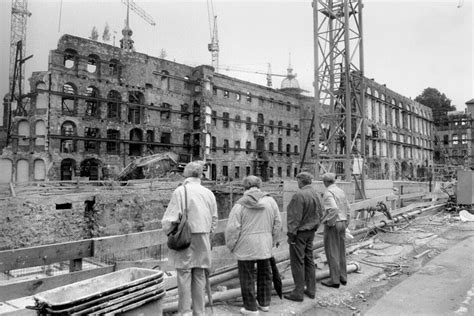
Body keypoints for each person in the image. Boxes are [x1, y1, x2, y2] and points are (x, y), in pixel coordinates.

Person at [162, 162, 218, 316]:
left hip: (186, 238)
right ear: (200, 175)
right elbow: (214, 219)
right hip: (203, 237)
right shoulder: (208, 193)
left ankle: (185, 312)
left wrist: (170, 233)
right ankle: (200, 312)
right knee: (200, 275)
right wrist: (208, 234)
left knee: (184, 276)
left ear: (186, 174)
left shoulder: (181, 191)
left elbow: (170, 219)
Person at [225, 176, 282, 315]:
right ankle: (264, 303)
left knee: (247, 276)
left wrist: (231, 245)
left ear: (245, 187)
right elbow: (278, 223)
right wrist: (273, 240)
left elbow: (233, 228)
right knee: (265, 273)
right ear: (259, 185)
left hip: (246, 245)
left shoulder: (240, 204)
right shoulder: (270, 200)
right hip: (264, 243)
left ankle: (250, 307)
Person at [284, 172, 323, 302]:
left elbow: (294, 218)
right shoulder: (316, 194)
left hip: (299, 233)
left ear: (301, 181)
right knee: (309, 260)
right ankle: (311, 290)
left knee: (297, 262)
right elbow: (320, 213)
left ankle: (298, 292)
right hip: (311, 232)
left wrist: (291, 234)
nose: (297, 183)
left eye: (298, 181)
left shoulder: (299, 195)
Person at [321, 172, 351, 288]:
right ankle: (343, 277)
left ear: (325, 182)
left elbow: (333, 209)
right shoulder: (340, 191)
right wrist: (347, 221)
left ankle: (334, 280)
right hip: (342, 222)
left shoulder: (328, 192)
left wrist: (328, 221)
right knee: (341, 251)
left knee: (332, 252)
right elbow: (348, 207)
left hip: (334, 224)